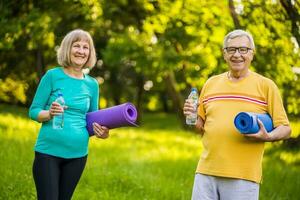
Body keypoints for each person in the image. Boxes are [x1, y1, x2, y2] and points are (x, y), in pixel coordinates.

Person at [183, 29, 291, 200]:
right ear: (224, 54)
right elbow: (200, 127)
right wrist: (191, 116)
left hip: (243, 176)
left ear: (252, 54)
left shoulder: (266, 86)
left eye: (243, 49)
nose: (237, 55)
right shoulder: (211, 83)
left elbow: (285, 128)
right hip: (205, 172)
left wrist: (268, 136)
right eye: (231, 49)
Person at [29, 29, 109, 200]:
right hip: (48, 152)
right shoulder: (52, 76)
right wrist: (49, 113)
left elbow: (92, 121)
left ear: (90, 53)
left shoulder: (92, 84)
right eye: (76, 46)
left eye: (85, 47)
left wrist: (102, 132)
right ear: (67, 48)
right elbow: (34, 111)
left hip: (78, 155)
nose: (81, 51)